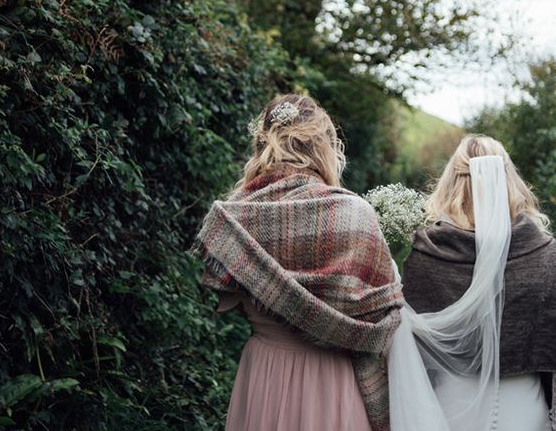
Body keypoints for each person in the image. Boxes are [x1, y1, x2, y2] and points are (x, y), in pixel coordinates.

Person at [191, 94, 403, 431]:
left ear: (262, 143)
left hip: (265, 375)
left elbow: (225, 295)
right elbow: (384, 319)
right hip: (333, 382)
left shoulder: (236, 216)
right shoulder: (354, 216)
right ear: (323, 146)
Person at [394, 134, 556, 430]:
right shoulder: (547, 255)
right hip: (523, 406)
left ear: (452, 183)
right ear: (509, 182)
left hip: (449, 408)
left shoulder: (426, 255)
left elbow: (410, 350)